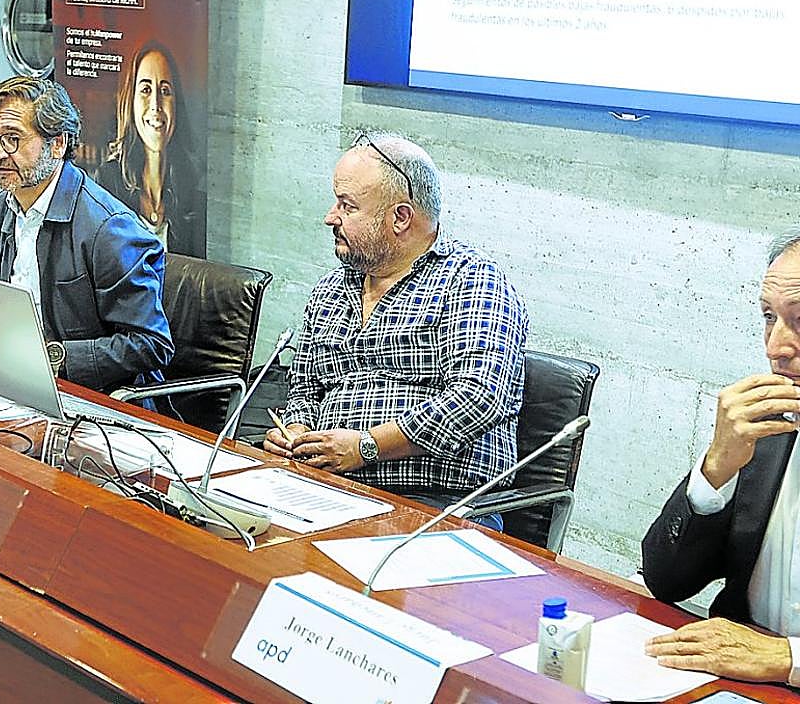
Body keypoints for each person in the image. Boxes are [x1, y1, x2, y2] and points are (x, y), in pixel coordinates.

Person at [264, 132, 528, 529]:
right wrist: (297, 431)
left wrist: (366, 447)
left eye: (346, 205)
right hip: (324, 487)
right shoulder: (331, 288)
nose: (330, 217)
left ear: (400, 218)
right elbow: (304, 387)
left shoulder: (472, 281)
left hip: (435, 505)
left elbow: (478, 398)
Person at [642, 230, 800, 685]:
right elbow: (666, 582)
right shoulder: (765, 428)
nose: (776, 348)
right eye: (769, 318)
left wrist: (787, 658)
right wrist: (718, 466)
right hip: (740, 683)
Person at [0, 75, 173, 393]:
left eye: (12, 139)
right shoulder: (2, 209)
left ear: (57, 144)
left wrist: (55, 357)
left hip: (101, 401)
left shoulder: (109, 229)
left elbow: (151, 345)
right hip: (21, 382)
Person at [95, 41, 205, 256]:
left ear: (177, 104)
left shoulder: (196, 194)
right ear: (131, 102)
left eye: (165, 91)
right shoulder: (107, 183)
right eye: (145, 89)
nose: (155, 104)